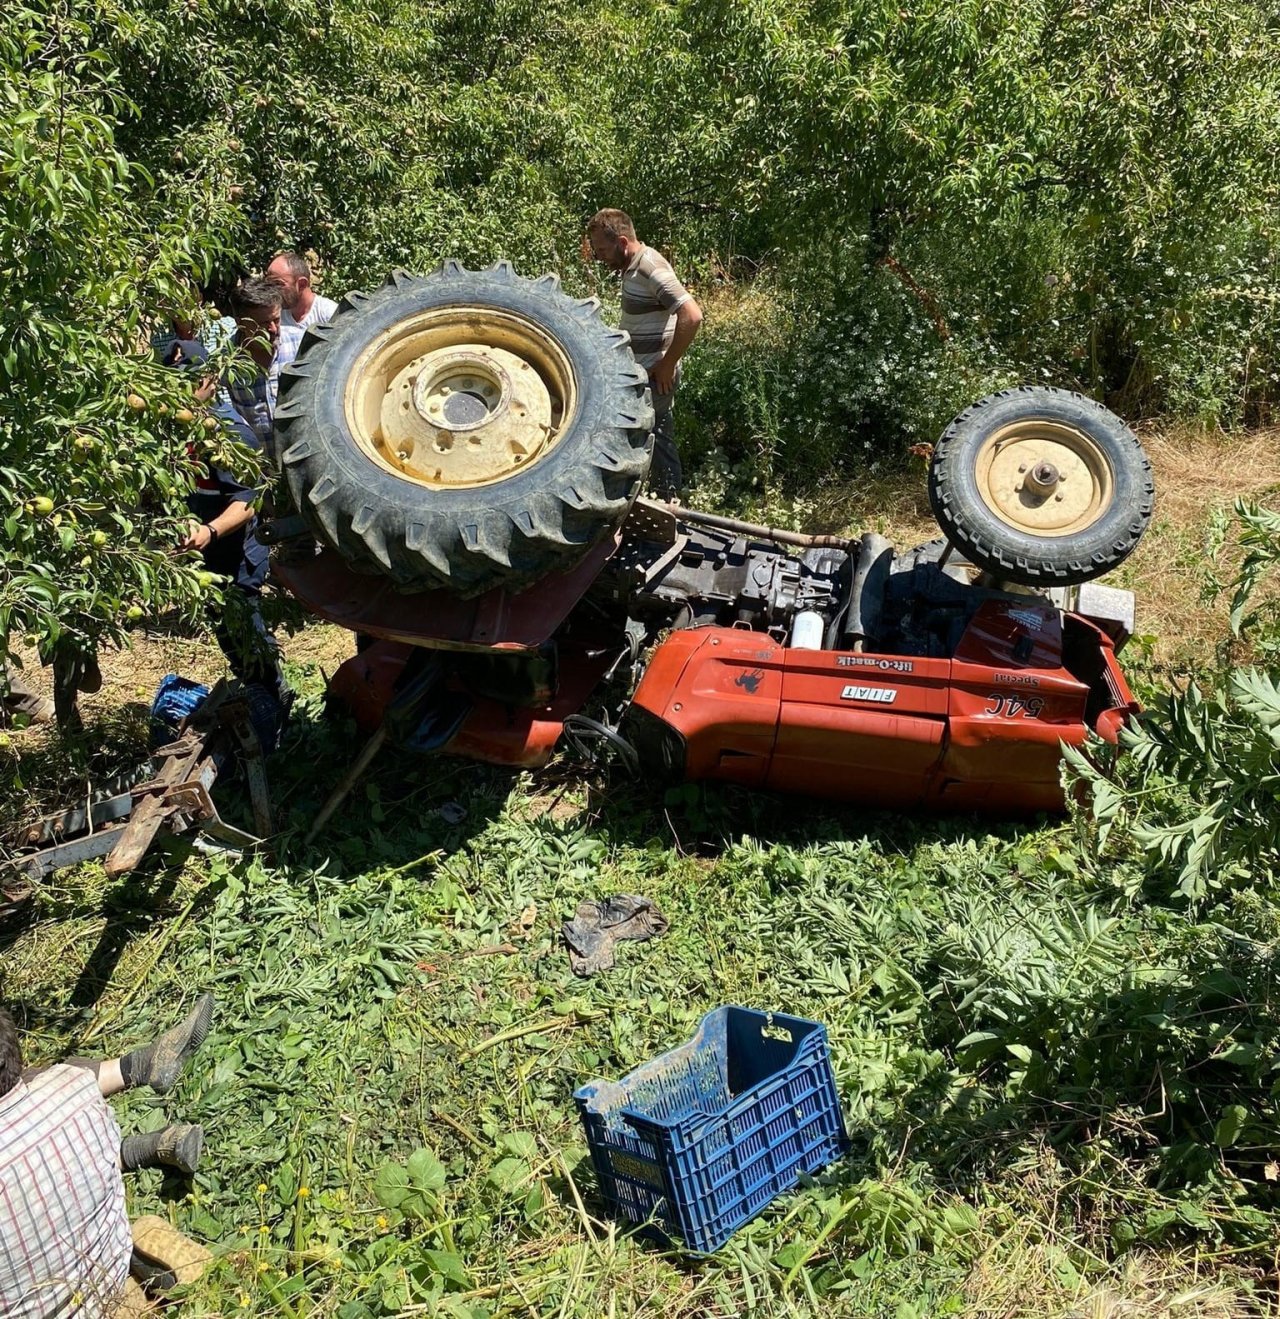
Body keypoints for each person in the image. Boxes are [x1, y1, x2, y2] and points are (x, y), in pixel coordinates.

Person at [0, 996, 214, 1317]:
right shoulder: (72, 1086)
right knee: (64, 1149)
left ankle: (151, 1116)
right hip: (110, 1279)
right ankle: (142, 1069)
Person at [585, 208, 703, 500]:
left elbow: (692, 314)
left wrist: (667, 365)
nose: (599, 257)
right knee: (649, 436)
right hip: (642, 372)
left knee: (658, 438)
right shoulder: (632, 267)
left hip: (655, 374)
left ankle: (668, 501)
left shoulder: (649, 267)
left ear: (622, 242)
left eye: (602, 249)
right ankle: (653, 498)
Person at [266, 250, 339, 335]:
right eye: (270, 284)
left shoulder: (329, 315)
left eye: (278, 284)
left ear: (302, 284)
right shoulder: (276, 316)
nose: (273, 290)